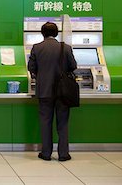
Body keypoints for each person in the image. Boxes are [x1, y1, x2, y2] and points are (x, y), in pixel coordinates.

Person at [28, 21, 77, 162]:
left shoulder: (37, 48)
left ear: (42, 33)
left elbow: (31, 67)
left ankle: (46, 153)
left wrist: (41, 76)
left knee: (45, 122)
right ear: (56, 33)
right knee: (63, 123)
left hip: (44, 90)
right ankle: (63, 154)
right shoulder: (66, 48)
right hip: (63, 92)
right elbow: (73, 66)